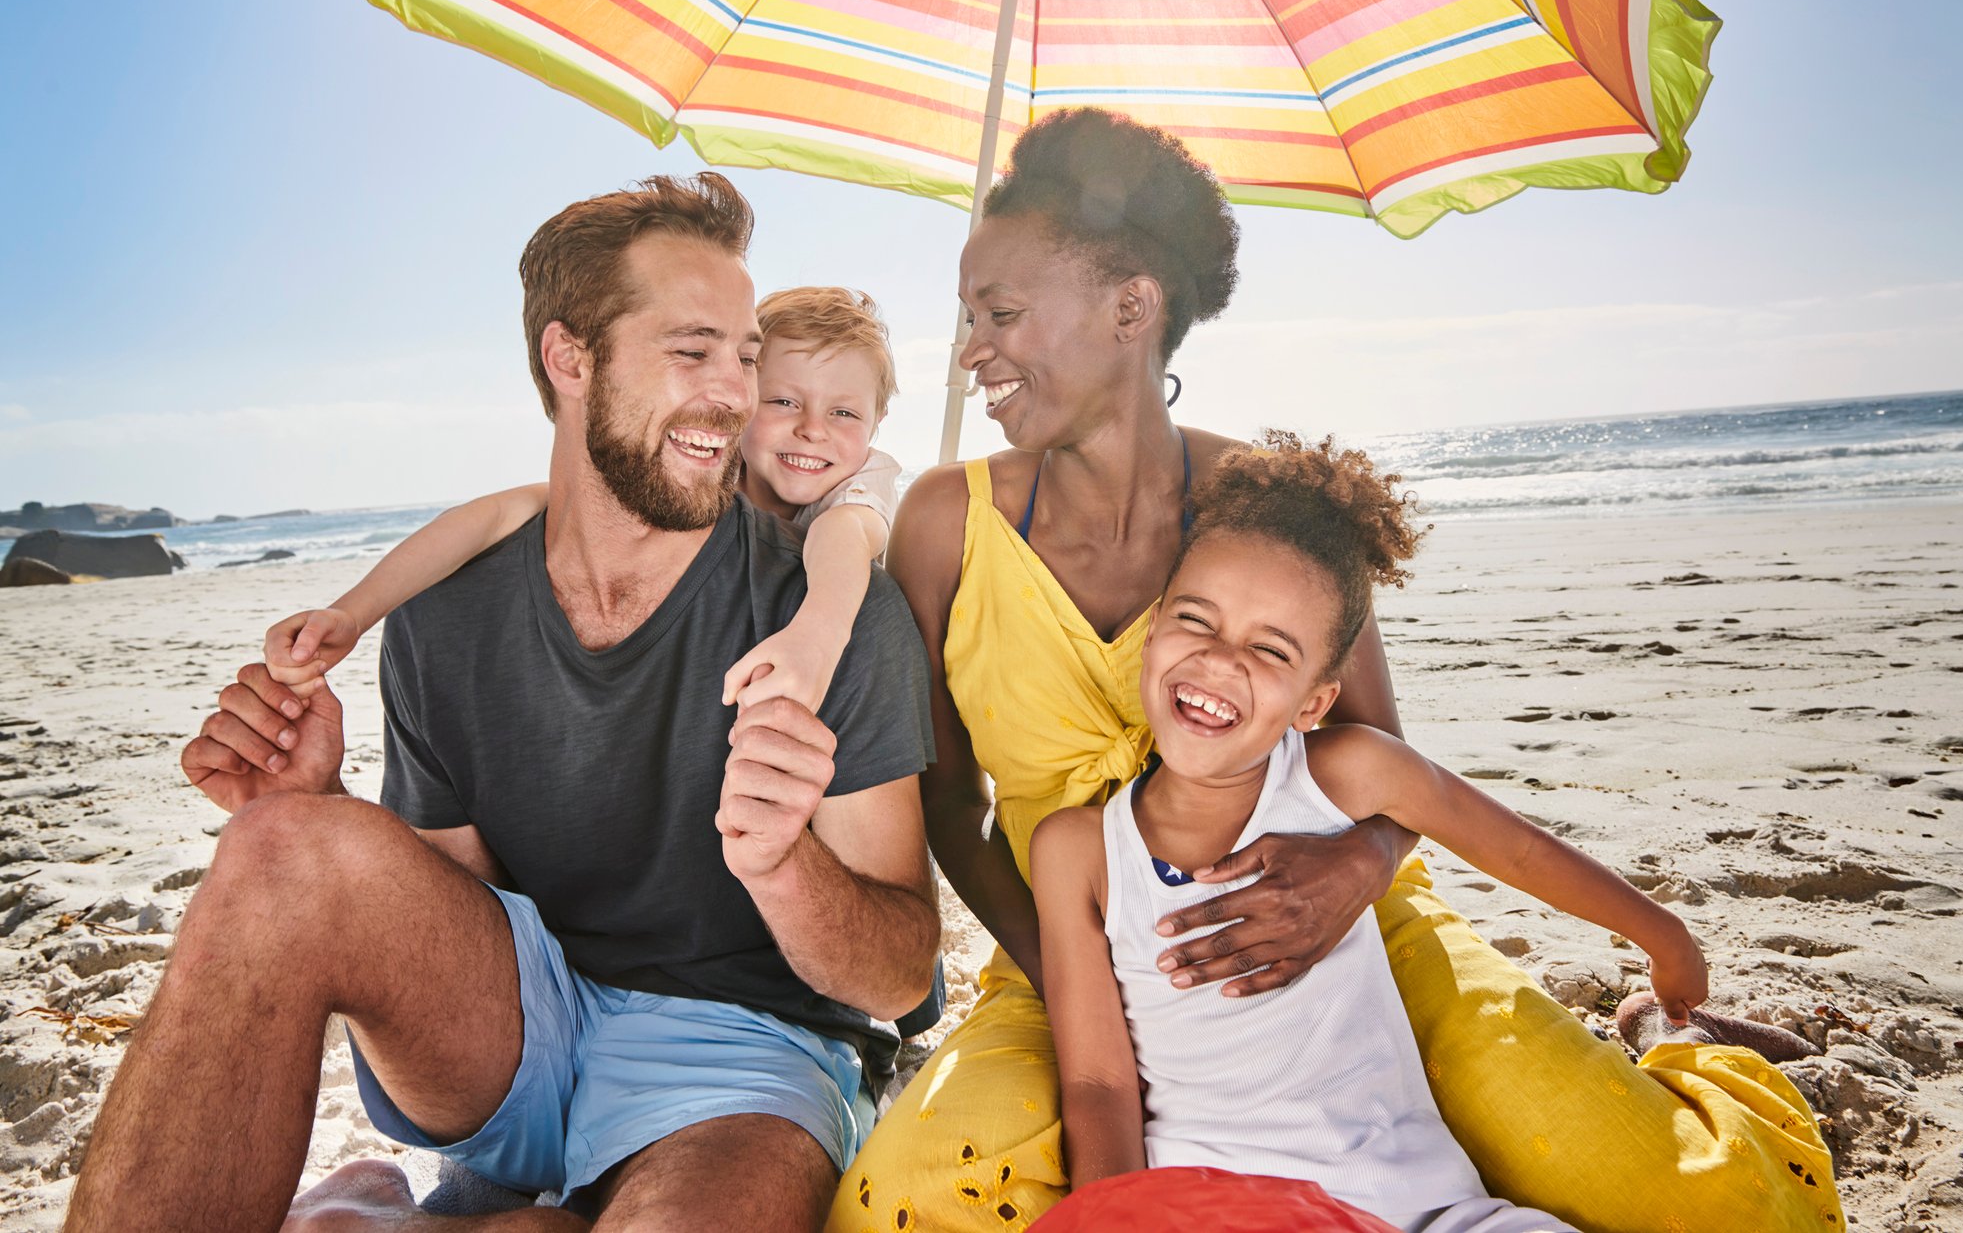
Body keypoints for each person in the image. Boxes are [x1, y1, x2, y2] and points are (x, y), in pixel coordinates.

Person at [828, 109, 1841, 1233]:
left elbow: (1385, 769)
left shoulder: (1276, 514)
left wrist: (1353, 870)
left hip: (1343, 933)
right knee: (904, 1202)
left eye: (1003, 314)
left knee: (1706, 1205)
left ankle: (1681, 1050)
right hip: (1055, 944)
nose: (973, 349)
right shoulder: (942, 521)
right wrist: (1078, 968)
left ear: (1131, 308)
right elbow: (946, 797)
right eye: (970, 317)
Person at [65, 176, 940, 1233]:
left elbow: (895, 975)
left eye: (747, 356)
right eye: (692, 350)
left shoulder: (827, 614)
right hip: (526, 1027)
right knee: (282, 846)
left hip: (743, 1060)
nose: (733, 393)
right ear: (570, 360)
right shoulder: (447, 615)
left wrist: (784, 864)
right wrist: (327, 808)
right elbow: (460, 901)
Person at [1034, 433, 1703, 1231]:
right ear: (1151, 634)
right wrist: (1111, 1215)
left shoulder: (1344, 775)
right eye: (1195, 620)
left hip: (1421, 1206)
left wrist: (1663, 938)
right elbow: (1099, 1086)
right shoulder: (1077, 850)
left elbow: (1516, 849)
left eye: (1269, 650)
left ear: (1314, 702)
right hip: (1218, 1209)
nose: (1219, 661)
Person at [264, 284, 904, 716]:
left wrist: (816, 640)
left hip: (822, 681)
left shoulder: (858, 486)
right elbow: (503, 513)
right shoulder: (710, 464)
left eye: (845, 412)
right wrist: (353, 613)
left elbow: (843, 540)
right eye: (783, 401)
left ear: (875, 425)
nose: (812, 429)